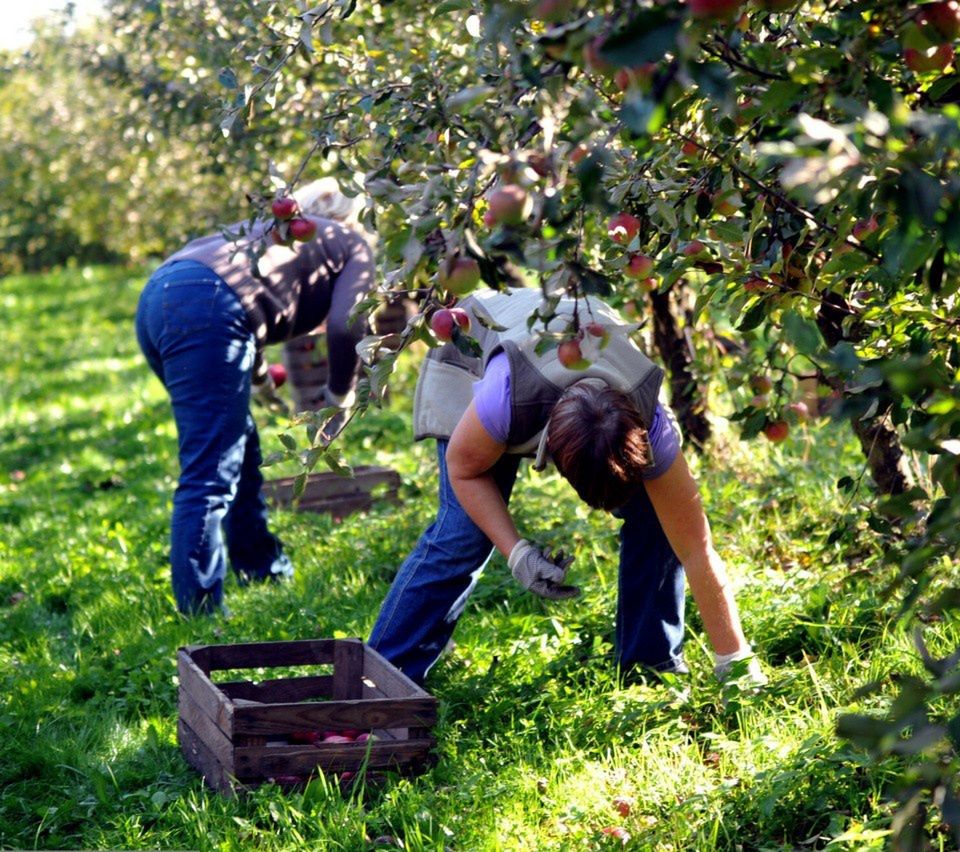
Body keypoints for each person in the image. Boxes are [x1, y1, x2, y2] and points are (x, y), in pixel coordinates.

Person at [369, 287, 765, 685]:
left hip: (570, 344)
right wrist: (517, 553)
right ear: (550, 450)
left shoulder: (651, 424)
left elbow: (696, 547)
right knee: (463, 535)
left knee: (658, 518)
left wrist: (735, 660)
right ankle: (384, 681)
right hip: (479, 346)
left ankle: (650, 665)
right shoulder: (503, 400)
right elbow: (464, 470)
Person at [135, 178, 374, 615]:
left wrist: (261, 384)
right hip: (207, 311)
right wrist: (340, 394)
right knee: (211, 469)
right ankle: (200, 614)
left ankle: (260, 565)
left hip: (157, 297)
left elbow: (243, 300)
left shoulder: (266, 232)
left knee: (238, 443)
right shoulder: (351, 243)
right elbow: (347, 323)